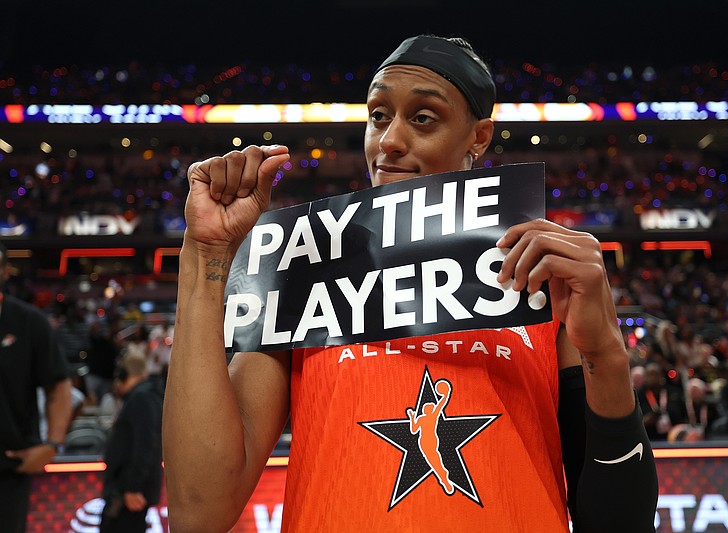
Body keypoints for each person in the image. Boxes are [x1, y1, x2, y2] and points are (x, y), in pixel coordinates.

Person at [164, 35, 658, 532]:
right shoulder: (306, 271)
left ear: (479, 137)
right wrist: (204, 255)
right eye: (379, 116)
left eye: (423, 118)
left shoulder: (539, 273)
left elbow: (620, 522)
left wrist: (606, 353)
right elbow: (199, 511)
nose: (389, 141)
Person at [0, 241, 73, 533]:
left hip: (8, 467)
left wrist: (52, 445)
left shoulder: (29, 322)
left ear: (5, 271)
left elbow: (58, 385)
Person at [99, 353, 165, 533]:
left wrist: (133, 487)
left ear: (122, 375)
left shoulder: (142, 398)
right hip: (128, 490)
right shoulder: (144, 396)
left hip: (129, 493)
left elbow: (146, 445)